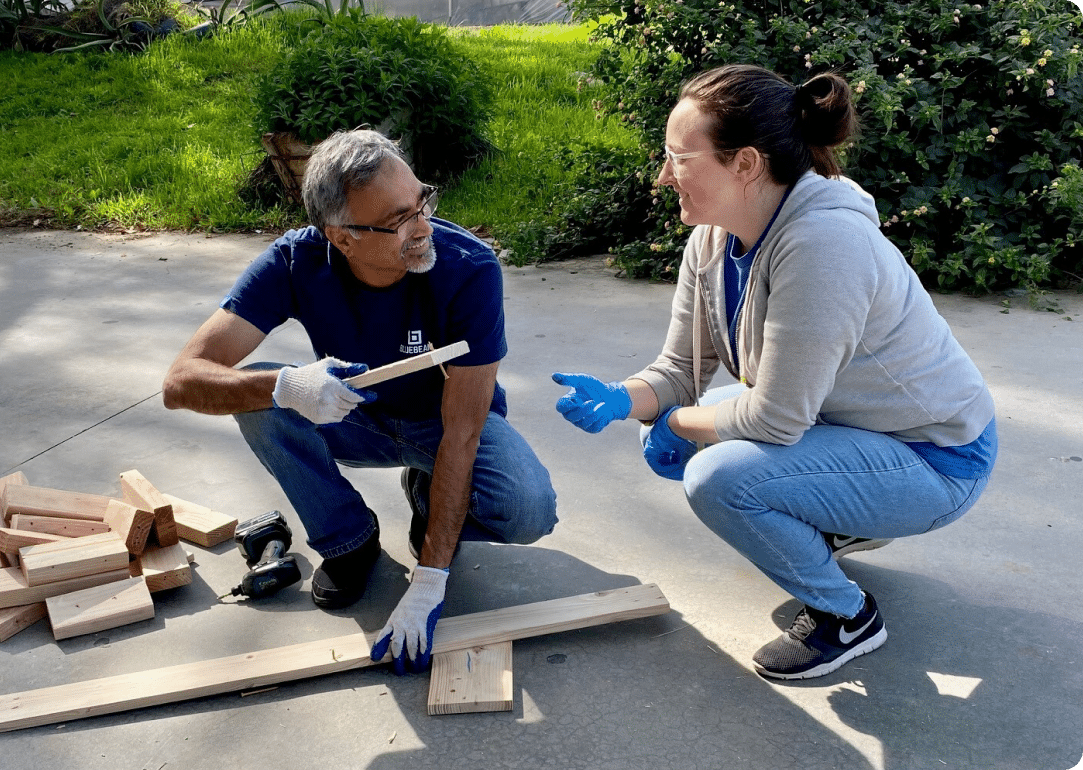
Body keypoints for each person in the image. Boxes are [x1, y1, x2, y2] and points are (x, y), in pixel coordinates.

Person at [552, 64, 996, 680]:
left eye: (680, 157)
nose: (663, 176)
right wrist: (624, 399)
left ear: (746, 164)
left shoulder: (825, 245)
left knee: (717, 474)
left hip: (936, 458)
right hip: (853, 430)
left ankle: (847, 616)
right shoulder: (712, 240)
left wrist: (680, 422)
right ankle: (833, 520)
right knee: (709, 436)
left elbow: (776, 418)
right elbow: (681, 368)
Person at [163, 128, 557, 675]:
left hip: (442, 424)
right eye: (399, 220)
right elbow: (181, 380)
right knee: (254, 389)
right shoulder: (296, 262)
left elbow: (464, 431)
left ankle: (429, 496)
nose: (424, 228)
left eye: (423, 202)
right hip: (350, 415)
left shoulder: (469, 268)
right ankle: (348, 540)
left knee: (528, 510)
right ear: (341, 236)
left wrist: (431, 581)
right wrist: (286, 385)